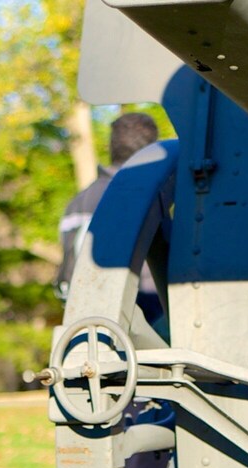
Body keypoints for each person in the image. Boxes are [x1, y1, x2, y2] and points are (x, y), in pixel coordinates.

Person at [58, 113, 162, 320]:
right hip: (139, 320)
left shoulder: (78, 202)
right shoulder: (144, 197)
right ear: (152, 150)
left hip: (82, 317)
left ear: (112, 147)